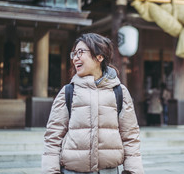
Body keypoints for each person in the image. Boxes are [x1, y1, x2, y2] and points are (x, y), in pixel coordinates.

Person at [42, 33, 144, 174]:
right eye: (74, 54)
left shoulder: (119, 92)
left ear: (99, 57)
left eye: (81, 52)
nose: (75, 58)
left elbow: (130, 137)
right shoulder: (68, 92)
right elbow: (53, 137)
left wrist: (133, 171)